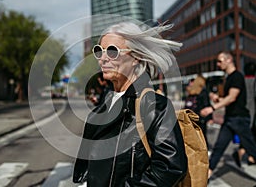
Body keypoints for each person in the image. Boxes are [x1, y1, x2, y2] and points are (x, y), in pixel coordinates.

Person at [73, 22, 187, 186]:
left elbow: (171, 167)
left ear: (136, 58)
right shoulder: (108, 101)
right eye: (99, 51)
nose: (103, 58)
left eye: (112, 51)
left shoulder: (154, 105)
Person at [200, 51, 256, 179]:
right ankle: (207, 175)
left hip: (240, 119)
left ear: (229, 60)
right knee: (219, 147)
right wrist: (218, 99)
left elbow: (232, 97)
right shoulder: (228, 78)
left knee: (252, 149)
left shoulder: (237, 76)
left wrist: (212, 108)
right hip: (230, 119)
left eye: (220, 61)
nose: (218, 64)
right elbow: (228, 99)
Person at [233, 62, 256, 166]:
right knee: (251, 134)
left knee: (247, 134)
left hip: (242, 111)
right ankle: (249, 156)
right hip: (253, 111)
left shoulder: (241, 81)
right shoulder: (254, 81)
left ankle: (247, 155)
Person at [184, 75, 212, 147]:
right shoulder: (200, 92)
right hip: (198, 116)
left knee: (197, 135)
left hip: (194, 116)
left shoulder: (193, 91)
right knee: (200, 134)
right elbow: (206, 104)